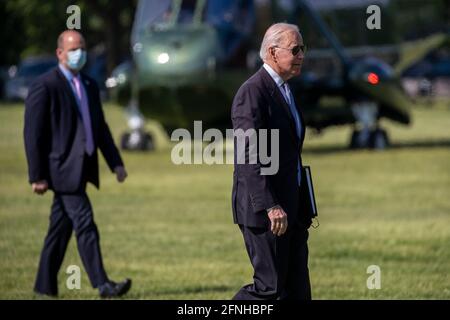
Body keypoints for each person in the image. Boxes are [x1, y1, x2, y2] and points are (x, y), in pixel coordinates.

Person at [24, 30, 131, 298]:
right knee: (85, 224)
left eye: (81, 47)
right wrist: (37, 175)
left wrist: (115, 163)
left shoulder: (90, 84)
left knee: (59, 231)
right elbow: (33, 134)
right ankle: (104, 285)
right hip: (60, 170)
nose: (78, 53)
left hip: (83, 168)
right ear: (60, 53)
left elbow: (100, 128)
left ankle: (44, 287)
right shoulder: (45, 85)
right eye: (73, 48)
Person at [231, 23, 312, 300]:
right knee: (269, 290)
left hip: (294, 209)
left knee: (298, 291)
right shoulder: (253, 91)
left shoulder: (286, 90)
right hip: (268, 212)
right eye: (295, 49)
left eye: (303, 48)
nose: (301, 55)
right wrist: (270, 205)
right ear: (273, 52)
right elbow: (247, 156)